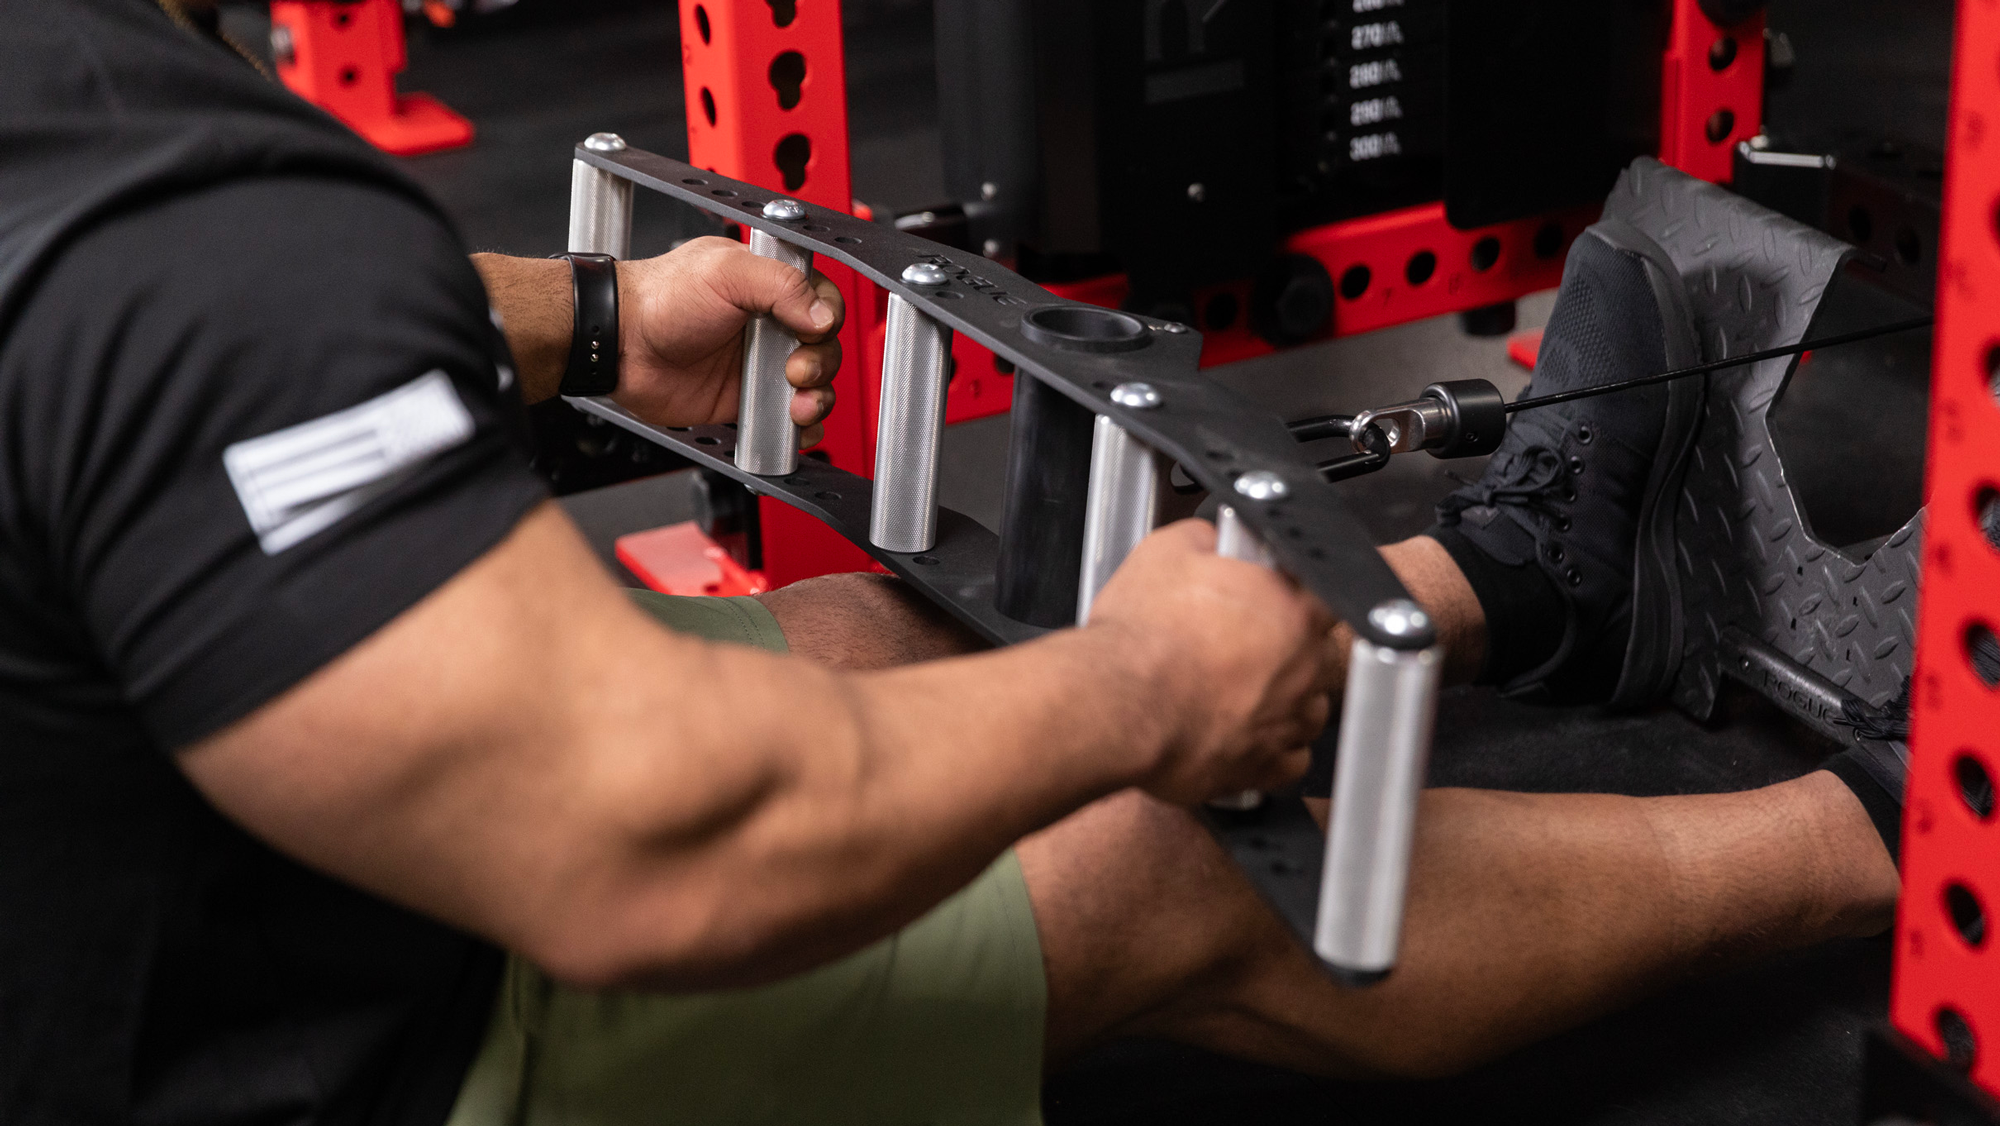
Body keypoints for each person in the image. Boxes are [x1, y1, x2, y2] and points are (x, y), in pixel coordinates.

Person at [0, 2, 1904, 1124]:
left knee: (886, 629)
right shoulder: (198, 233)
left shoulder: (103, 142)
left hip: (191, 876)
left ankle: (1522, 584)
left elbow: (167, 370)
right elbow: (647, 841)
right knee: (1155, 851)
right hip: (339, 1063)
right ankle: (1895, 843)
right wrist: (1139, 693)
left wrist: (595, 315)